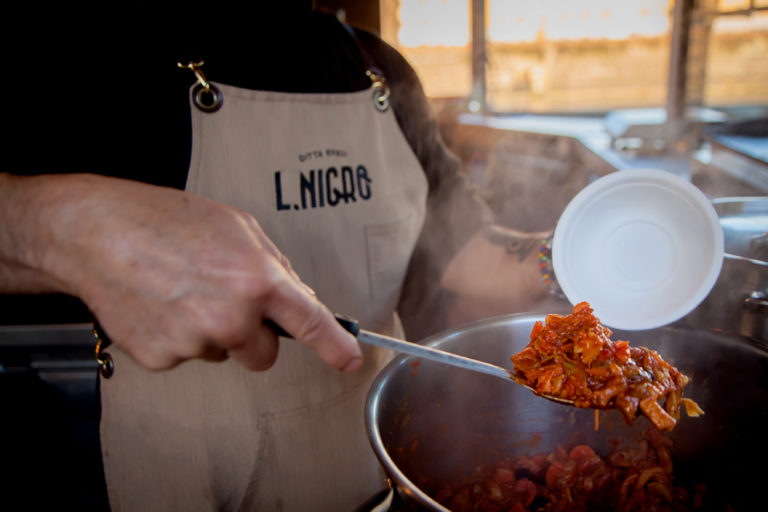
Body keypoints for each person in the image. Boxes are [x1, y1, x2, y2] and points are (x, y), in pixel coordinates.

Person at [0, 3, 560, 510]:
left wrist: (568, 257)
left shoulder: (379, 68)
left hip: (371, 466)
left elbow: (462, 245)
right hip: (186, 474)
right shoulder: (89, 57)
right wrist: (64, 228)